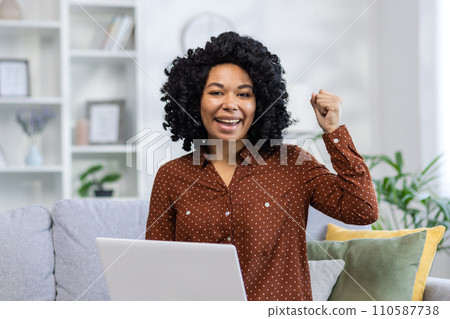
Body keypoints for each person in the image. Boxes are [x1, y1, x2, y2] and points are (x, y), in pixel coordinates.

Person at [145, 31, 378, 301]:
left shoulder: (294, 163)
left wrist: (333, 132)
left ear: (261, 104)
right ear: (194, 101)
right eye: (216, 92)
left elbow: (363, 210)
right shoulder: (171, 176)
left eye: (244, 94)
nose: (230, 104)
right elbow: (157, 268)